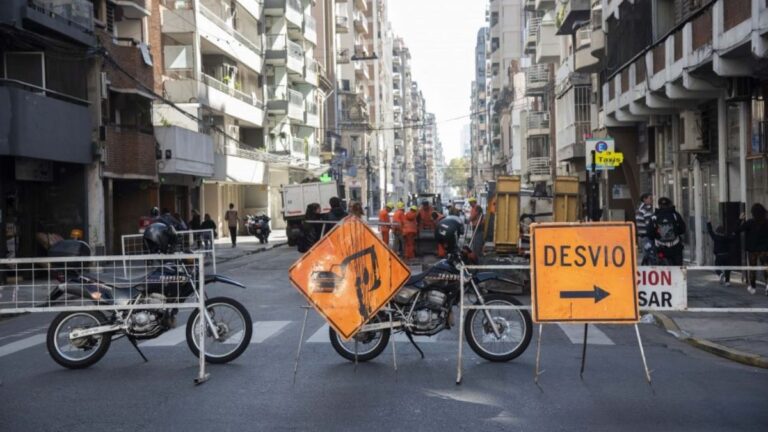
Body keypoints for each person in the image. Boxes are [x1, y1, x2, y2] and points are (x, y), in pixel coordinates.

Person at [735, 203, 768, 295]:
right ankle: (767, 286)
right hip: (765, 249)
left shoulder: (750, 222)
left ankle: (753, 287)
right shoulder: (766, 222)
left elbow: (737, 230)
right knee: (766, 268)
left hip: (752, 250)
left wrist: (740, 219)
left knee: (752, 268)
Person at [648, 197, 686, 266]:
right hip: (675, 247)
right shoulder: (675, 215)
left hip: (660, 247)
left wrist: (656, 236)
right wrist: (676, 233)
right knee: (677, 268)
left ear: (659, 205)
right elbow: (683, 229)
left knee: (661, 268)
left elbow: (650, 233)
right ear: (669, 205)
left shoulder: (654, 217)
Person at [707, 221, 736, 287]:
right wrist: (734, 233)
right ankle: (727, 282)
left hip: (719, 255)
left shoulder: (715, 237)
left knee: (716, 267)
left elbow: (710, 231)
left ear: (717, 232)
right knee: (727, 269)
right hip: (727, 255)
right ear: (724, 232)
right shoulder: (726, 238)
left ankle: (720, 274)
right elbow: (733, 238)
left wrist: (708, 223)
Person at [635, 193, 654, 264]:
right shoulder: (647, 208)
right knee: (650, 256)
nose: (652, 200)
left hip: (642, 236)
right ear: (644, 199)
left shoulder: (640, 208)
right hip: (647, 237)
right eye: (650, 198)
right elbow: (649, 224)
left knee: (646, 255)